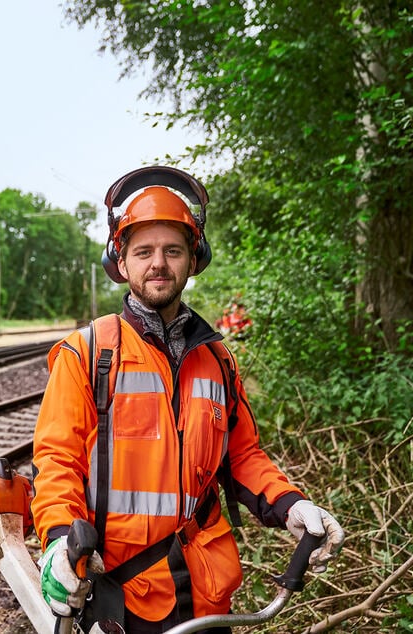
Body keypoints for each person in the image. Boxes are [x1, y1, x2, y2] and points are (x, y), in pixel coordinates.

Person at [31, 166, 344, 633]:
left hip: (207, 590)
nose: (158, 263)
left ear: (194, 259)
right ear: (121, 262)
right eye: (144, 252)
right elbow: (56, 462)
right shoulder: (90, 353)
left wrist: (291, 504)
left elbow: (242, 456)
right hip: (121, 593)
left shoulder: (216, 359)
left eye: (172, 250)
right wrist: (58, 541)